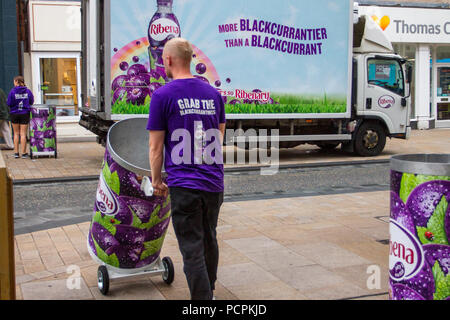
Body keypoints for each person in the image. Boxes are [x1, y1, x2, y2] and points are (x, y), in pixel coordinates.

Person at [147, 38, 226, 300]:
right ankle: (210, 291)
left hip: (184, 184)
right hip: (213, 183)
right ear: (190, 58)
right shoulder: (214, 94)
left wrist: (157, 180)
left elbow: (156, 148)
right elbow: (219, 137)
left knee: (192, 248)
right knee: (208, 239)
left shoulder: (162, 96)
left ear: (168, 60)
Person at [7, 76, 34, 159]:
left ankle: (16, 153)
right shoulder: (28, 91)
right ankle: (24, 153)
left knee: (16, 133)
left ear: (16, 82)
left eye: (14, 81)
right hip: (24, 114)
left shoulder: (12, 91)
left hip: (14, 113)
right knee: (23, 134)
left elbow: (9, 103)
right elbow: (31, 101)